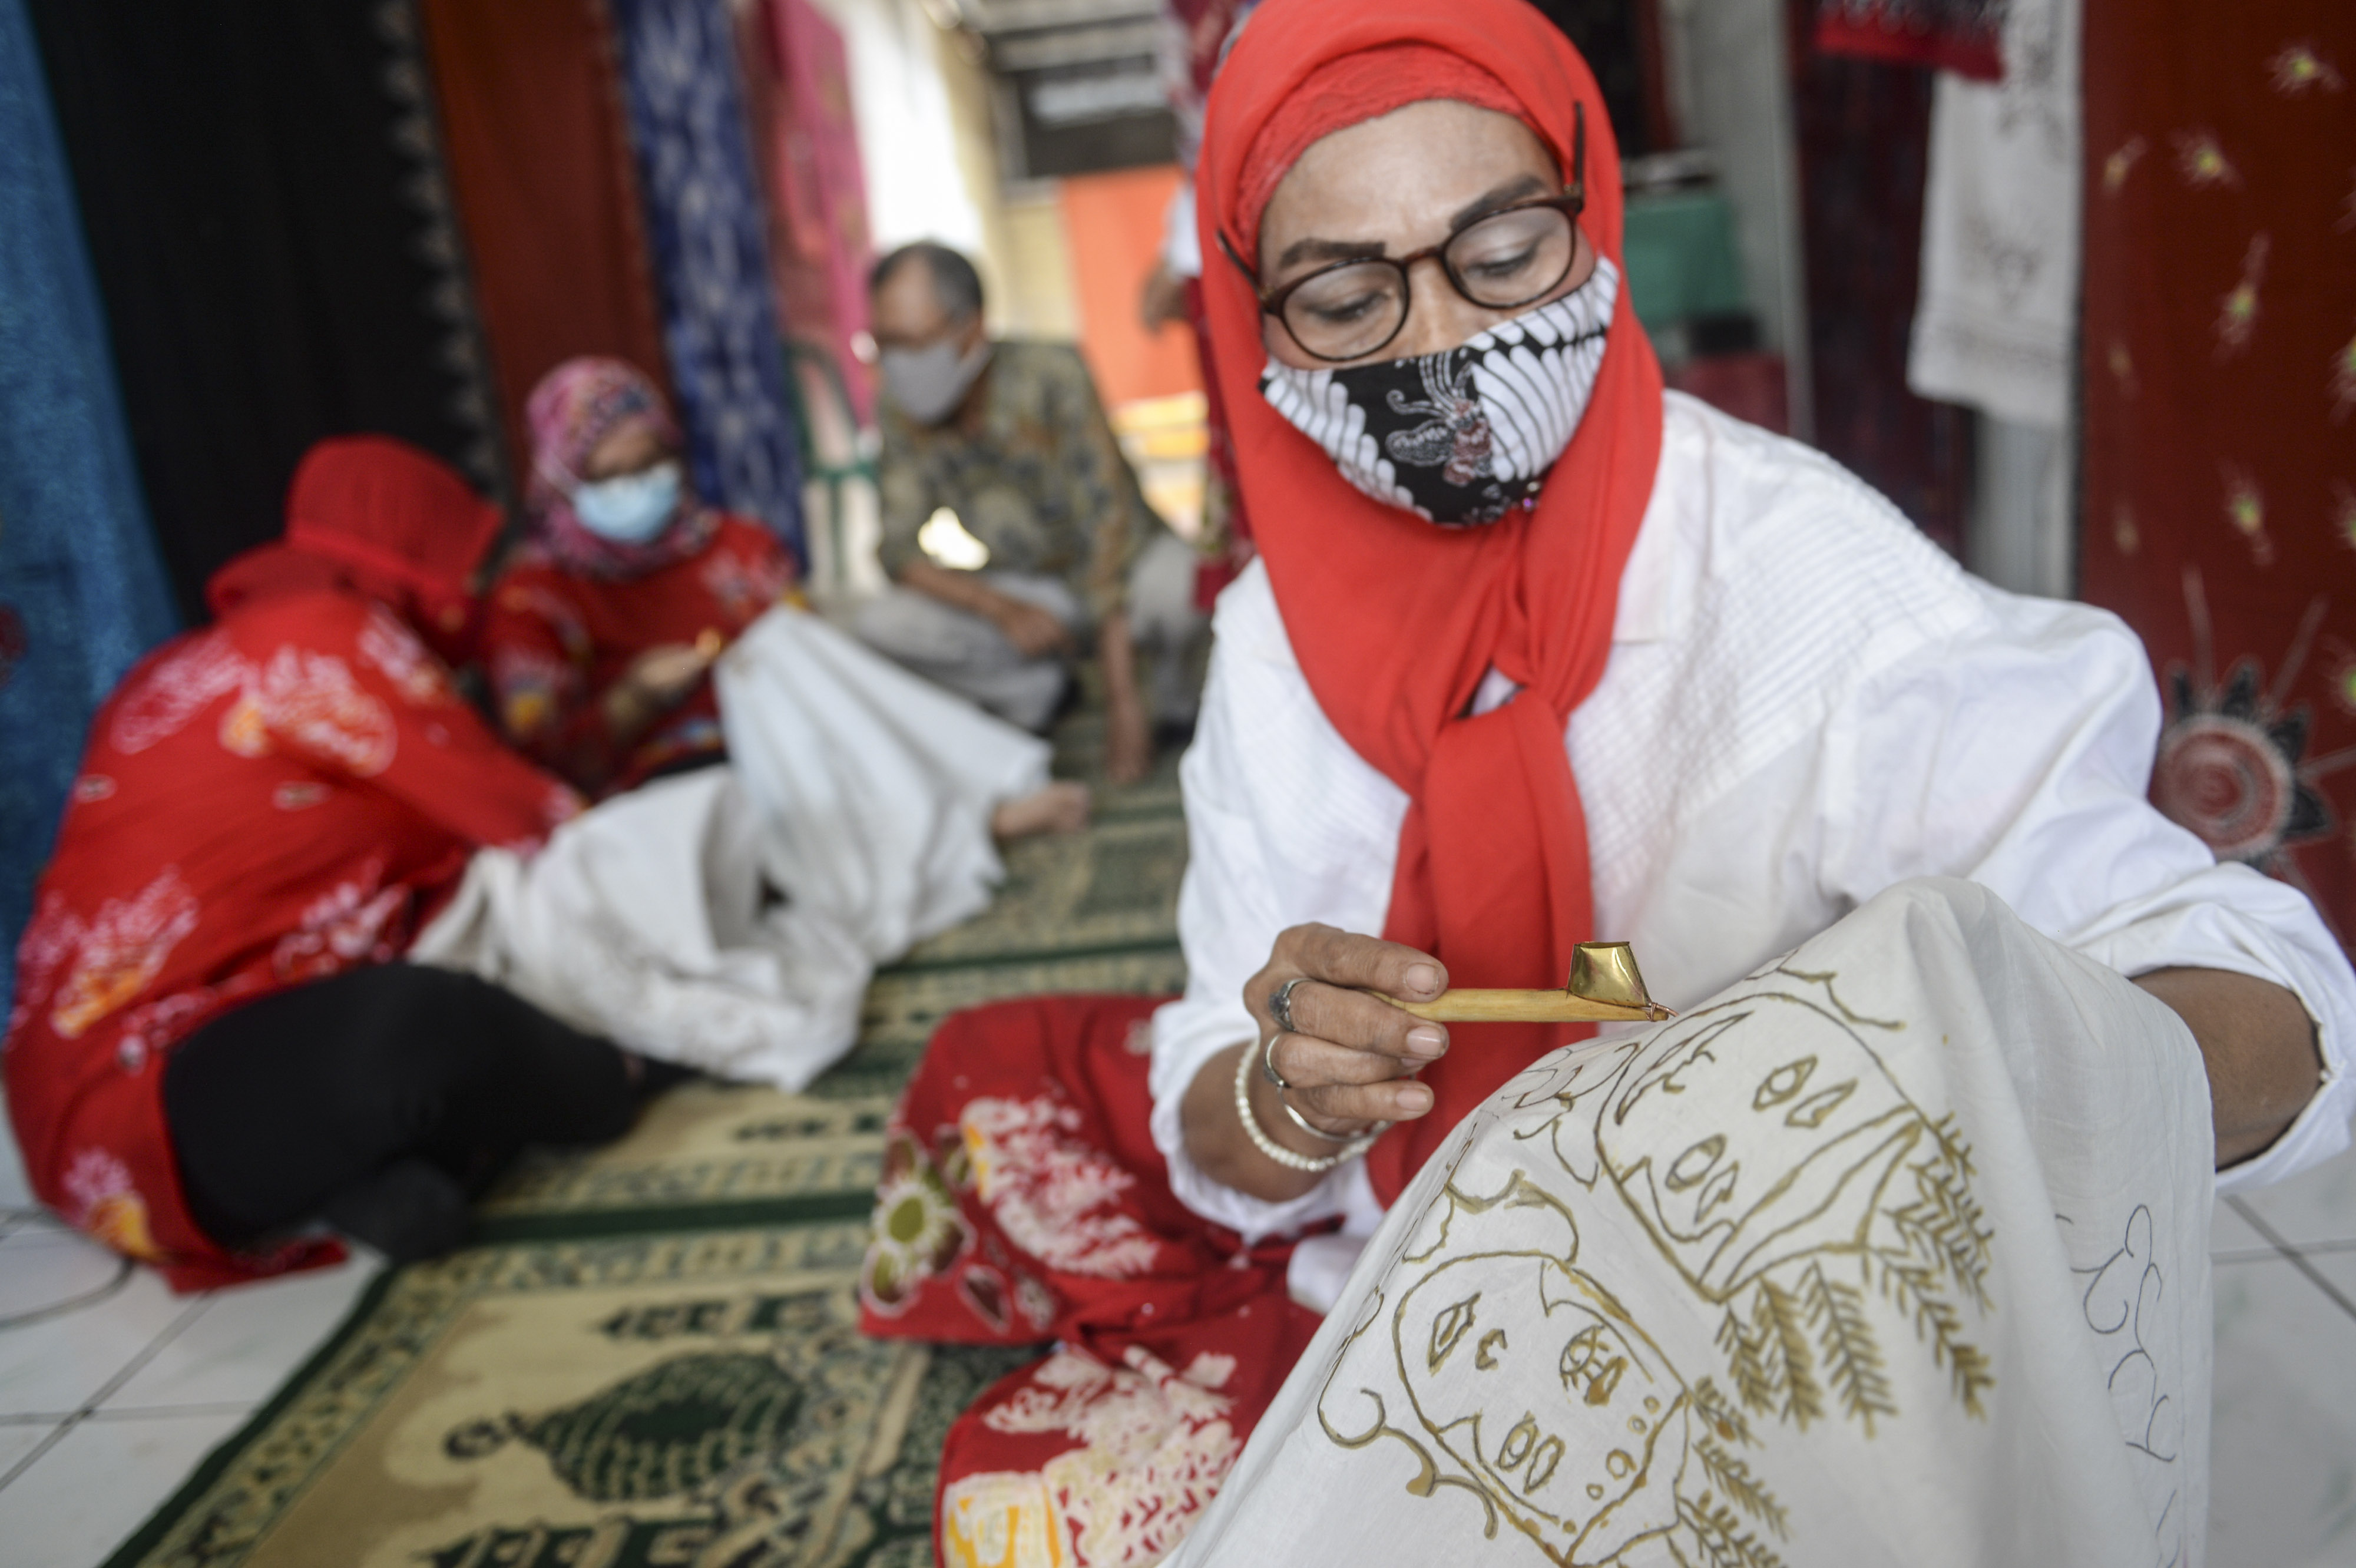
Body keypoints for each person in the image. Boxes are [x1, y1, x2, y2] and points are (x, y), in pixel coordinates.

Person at [859, 3, 2356, 1564]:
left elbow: (2280, 999)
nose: (1439, 340)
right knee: (999, 1162)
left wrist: (1954, 1068)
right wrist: (1286, 1092)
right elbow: (1218, 1102)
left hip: (1777, 1309)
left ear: (1594, 220)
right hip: (1405, 1262)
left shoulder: (1795, 571)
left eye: (1501, 255)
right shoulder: (1270, 641)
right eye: (1346, 293)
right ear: (1262, 335)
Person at [4, 438, 641, 1289]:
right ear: (411, 563)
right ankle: (623, 1077)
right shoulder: (325, 635)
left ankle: (369, 1178)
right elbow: (532, 820)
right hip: (153, 1096)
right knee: (429, 1020)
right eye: (467, 567)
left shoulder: (184, 659)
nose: (478, 599)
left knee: (440, 982)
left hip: (98, 1113)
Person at [482, 356, 1086, 835]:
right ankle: (965, 827)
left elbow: (819, 663)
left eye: (651, 463)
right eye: (609, 477)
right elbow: (540, 761)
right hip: (664, 787)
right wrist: (634, 699)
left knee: (806, 671)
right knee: (780, 804)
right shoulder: (534, 599)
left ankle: (976, 804)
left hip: (793, 739)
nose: (636, 487)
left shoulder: (738, 548)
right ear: (560, 482)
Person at [853, 243, 1205, 785]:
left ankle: (1166, 698)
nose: (895, 363)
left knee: (1185, 587)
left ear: (969, 329)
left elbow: (1108, 529)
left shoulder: (1051, 374)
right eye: (883, 345)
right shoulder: (901, 412)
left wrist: (1122, 702)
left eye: (910, 342)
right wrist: (997, 607)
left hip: (1123, 575)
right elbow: (897, 550)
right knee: (879, 625)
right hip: (1031, 589)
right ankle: (1040, 693)